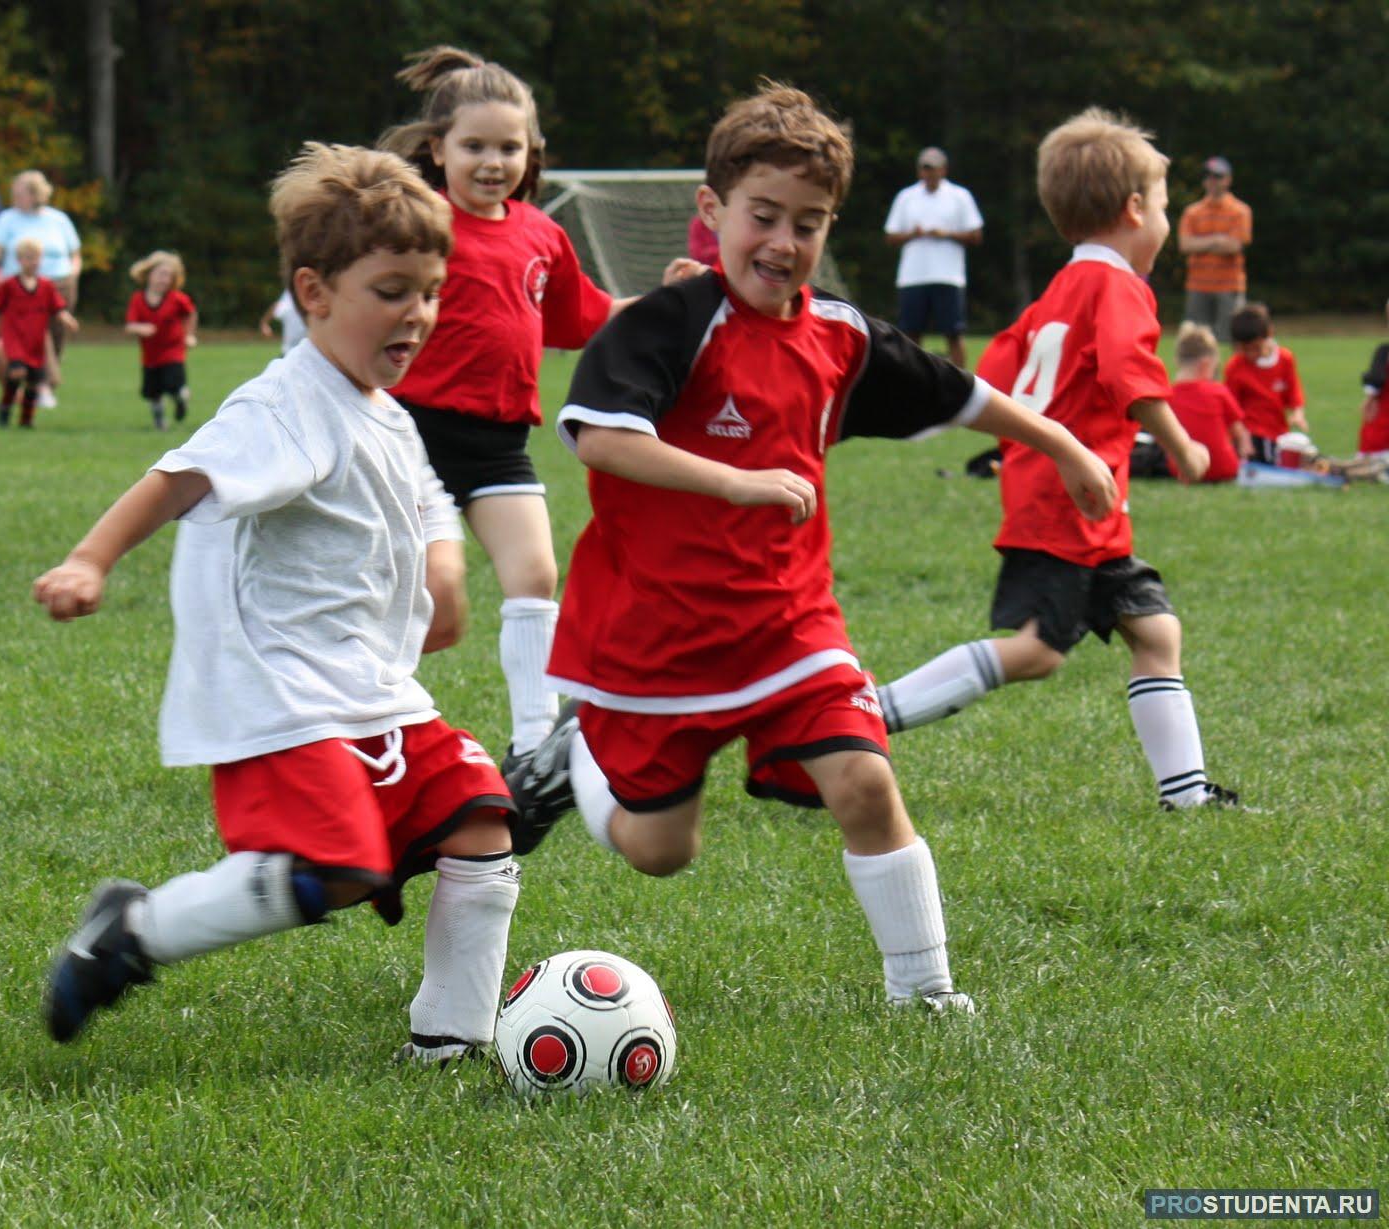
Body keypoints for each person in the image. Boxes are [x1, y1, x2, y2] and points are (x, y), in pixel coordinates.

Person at [506, 84, 1119, 1016]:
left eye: (809, 222)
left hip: (789, 624)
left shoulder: (836, 335)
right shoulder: (667, 322)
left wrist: (1064, 446)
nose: (784, 244)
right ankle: (574, 753)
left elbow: (957, 393)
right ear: (712, 213)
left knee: (866, 779)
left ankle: (924, 994)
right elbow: (598, 435)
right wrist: (740, 480)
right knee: (660, 851)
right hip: (652, 635)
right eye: (763, 216)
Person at [33, 143, 520, 1066]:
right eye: (391, 289)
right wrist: (89, 560)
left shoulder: (383, 408)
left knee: (480, 822)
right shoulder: (286, 402)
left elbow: (426, 500)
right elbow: (179, 476)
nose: (416, 313)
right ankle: (132, 932)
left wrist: (445, 572)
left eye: (430, 290)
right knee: (332, 870)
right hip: (282, 693)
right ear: (315, 291)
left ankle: (450, 1043)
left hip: (372, 687)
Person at [876, 108, 1239, 814]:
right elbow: (1130, 371)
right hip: (1070, 503)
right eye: (1163, 206)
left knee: (1156, 630)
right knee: (1039, 653)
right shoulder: (1119, 287)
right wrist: (1182, 442)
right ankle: (868, 714)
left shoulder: (1057, 291)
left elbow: (999, 370)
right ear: (1136, 209)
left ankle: (1187, 794)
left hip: (1073, 500)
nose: (1165, 221)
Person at [379, 46, 656, 774]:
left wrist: (661, 303)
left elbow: (582, 318)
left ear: (532, 153)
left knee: (534, 574)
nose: (493, 161)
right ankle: (359, 725)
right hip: (412, 436)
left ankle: (535, 742)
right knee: (412, 595)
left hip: (499, 441)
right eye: (474, 145)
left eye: (510, 146)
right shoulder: (417, 223)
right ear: (438, 150)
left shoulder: (542, 234)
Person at [0, 170, 83, 407]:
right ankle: (39, 385)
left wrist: (73, 274)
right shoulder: (7, 219)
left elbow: (75, 254)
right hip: (21, 288)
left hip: (59, 283)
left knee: (56, 334)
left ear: (34, 194)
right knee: (35, 334)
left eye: (19, 193)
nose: (14, 197)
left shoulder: (58, 219)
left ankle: (43, 385)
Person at [883, 146, 983, 368]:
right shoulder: (906, 197)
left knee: (953, 332)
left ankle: (962, 380)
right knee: (910, 332)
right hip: (913, 276)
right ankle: (911, 377)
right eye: (925, 169)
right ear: (920, 171)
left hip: (947, 275)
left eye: (934, 169)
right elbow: (890, 236)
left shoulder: (959, 196)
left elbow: (976, 235)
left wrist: (946, 234)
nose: (929, 174)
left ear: (943, 170)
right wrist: (913, 234)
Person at [0, 237, 80, 428]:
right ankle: (5, 407)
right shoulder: (9, 285)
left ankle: (26, 419)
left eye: (36, 258)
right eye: (28, 258)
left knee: (34, 383)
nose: (33, 262)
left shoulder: (46, 286)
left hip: (35, 341)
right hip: (14, 338)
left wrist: (67, 320)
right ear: (19, 260)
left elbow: (57, 308)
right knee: (17, 372)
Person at [1163, 322, 1250, 482]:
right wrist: (1245, 453)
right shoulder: (1218, 391)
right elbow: (1240, 433)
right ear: (1205, 364)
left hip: (1182, 470)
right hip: (1225, 468)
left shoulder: (1166, 396)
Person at [1178, 156, 1252, 343]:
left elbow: (1234, 246)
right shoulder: (1192, 212)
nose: (1212, 181)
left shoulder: (1240, 211)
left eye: (1217, 176)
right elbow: (1185, 245)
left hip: (1229, 285)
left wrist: (1200, 243)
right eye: (1208, 176)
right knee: (1197, 340)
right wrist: (1217, 240)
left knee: (1231, 338)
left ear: (1228, 179)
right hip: (1198, 285)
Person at [1223, 302, 1306, 465]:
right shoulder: (1235, 366)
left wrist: (1298, 413)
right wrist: (1240, 436)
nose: (1250, 354)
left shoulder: (1285, 360)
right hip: (1250, 433)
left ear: (1269, 334)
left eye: (1255, 348)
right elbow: (1230, 407)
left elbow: (1294, 393)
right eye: (1244, 349)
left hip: (1278, 432)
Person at [124, 251, 198, 430]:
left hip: (174, 351)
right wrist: (140, 328)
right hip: (150, 355)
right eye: (161, 274)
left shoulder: (177, 299)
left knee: (174, 383)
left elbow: (191, 314)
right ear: (149, 274)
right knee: (152, 392)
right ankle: (159, 421)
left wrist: (189, 335)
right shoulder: (138, 300)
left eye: (169, 276)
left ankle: (181, 399)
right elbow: (129, 326)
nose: (164, 280)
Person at [1358, 299, 1389, 458]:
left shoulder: (1384, 352)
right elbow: (1376, 380)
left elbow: (1376, 380)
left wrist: (1370, 398)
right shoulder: (1383, 352)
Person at [258, 288, 307, 353]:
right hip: (289, 351)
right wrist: (264, 323)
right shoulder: (290, 294)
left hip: (307, 351)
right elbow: (277, 306)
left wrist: (264, 323)